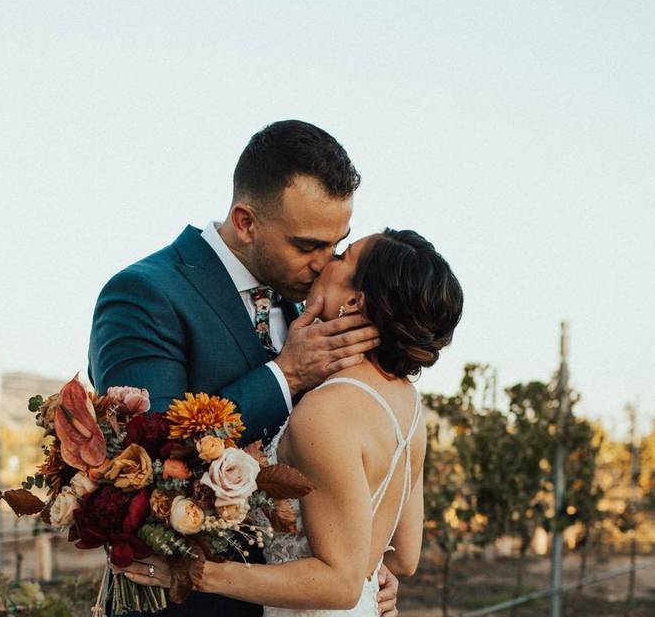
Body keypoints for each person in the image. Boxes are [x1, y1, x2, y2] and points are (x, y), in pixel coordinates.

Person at [88, 120, 399, 616]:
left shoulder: (305, 308)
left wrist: (354, 561)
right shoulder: (145, 293)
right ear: (246, 220)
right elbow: (149, 451)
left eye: (336, 245)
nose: (325, 264)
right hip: (183, 603)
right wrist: (286, 376)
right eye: (307, 246)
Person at [121, 228, 464, 617]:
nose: (325, 261)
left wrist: (195, 572)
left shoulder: (326, 410)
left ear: (353, 302)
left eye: (342, 256)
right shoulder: (408, 405)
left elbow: (340, 583)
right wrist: (368, 577)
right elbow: (404, 556)